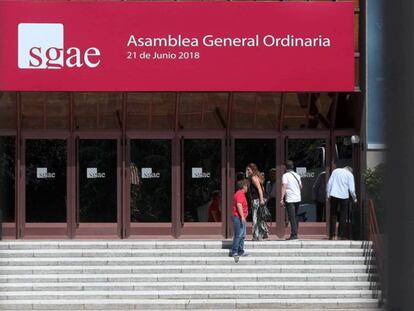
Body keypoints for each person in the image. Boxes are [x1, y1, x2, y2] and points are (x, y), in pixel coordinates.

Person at [326, 166, 357, 240]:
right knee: (343, 216)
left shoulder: (335, 171)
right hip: (344, 197)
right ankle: (340, 235)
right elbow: (352, 190)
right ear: (350, 170)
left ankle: (332, 235)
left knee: (333, 215)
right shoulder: (350, 175)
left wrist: (328, 195)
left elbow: (329, 183)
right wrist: (355, 199)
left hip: (333, 195)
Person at [246, 163, 269, 241]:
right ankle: (262, 233)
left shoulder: (253, 178)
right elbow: (262, 188)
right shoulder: (257, 177)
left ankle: (256, 235)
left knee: (255, 217)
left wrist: (261, 200)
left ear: (253, 169)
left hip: (257, 200)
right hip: (259, 200)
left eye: (248, 169)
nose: (247, 171)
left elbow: (259, 189)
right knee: (260, 217)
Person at [280, 160, 302, 240]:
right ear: (293, 167)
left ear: (286, 167)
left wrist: (281, 198)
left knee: (292, 217)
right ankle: (295, 233)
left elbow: (284, 186)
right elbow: (301, 186)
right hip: (298, 198)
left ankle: (294, 235)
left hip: (290, 198)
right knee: (295, 216)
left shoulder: (285, 176)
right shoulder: (297, 175)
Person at [231, 179, 250, 257]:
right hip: (238, 217)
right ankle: (234, 251)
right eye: (247, 186)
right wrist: (242, 216)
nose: (247, 188)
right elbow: (239, 205)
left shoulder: (241, 194)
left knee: (242, 235)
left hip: (241, 217)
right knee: (238, 235)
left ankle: (240, 251)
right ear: (244, 186)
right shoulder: (240, 194)